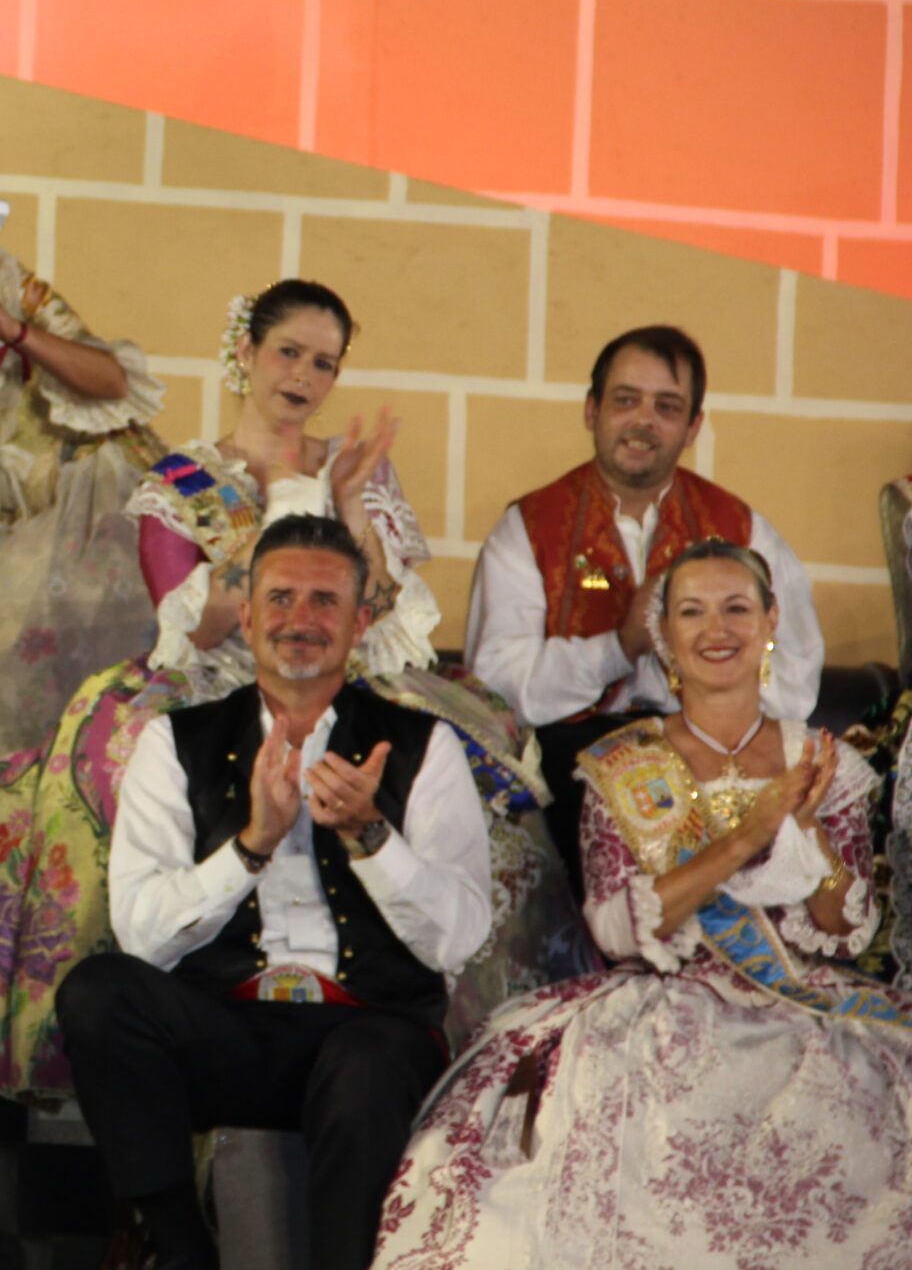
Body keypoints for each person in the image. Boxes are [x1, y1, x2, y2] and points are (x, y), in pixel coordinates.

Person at [0, 281, 576, 1104]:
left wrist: (345, 501)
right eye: (288, 352)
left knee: (487, 805)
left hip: (345, 675)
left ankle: (460, 1063)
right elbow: (202, 625)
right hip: (216, 682)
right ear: (243, 353)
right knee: (108, 780)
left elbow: (382, 616)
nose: (304, 376)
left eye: (324, 362)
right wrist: (287, 505)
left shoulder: (358, 473)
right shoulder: (180, 479)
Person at [373, 540, 910, 1269]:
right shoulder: (623, 761)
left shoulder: (826, 761)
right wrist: (752, 832)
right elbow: (617, 927)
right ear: (664, 635)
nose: (716, 628)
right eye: (691, 611)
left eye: (736, 608)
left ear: (770, 620)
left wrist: (806, 827)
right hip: (663, 1001)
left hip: (802, 1003)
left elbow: (844, 925)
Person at [62, 515, 491, 1270]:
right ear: (250, 616)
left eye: (325, 601)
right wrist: (251, 845)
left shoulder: (426, 746)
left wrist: (369, 836)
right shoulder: (175, 741)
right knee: (100, 992)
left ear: (361, 621)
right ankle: (180, 1245)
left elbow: (459, 935)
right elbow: (142, 931)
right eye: (281, 598)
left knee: (365, 1066)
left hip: (369, 1033)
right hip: (227, 1030)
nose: (301, 619)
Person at [468, 324, 824, 889]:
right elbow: (498, 689)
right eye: (625, 400)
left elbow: (795, 679)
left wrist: (706, 680)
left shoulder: (742, 528)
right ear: (592, 410)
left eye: (666, 406)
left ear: (692, 426)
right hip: (572, 761)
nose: (642, 421)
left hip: (713, 756)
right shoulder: (529, 528)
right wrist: (620, 647)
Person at [0, 246, 167, 768]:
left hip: (90, 516)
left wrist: (12, 329)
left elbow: (112, 380)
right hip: (8, 544)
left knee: (108, 702)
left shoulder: (4, 286)